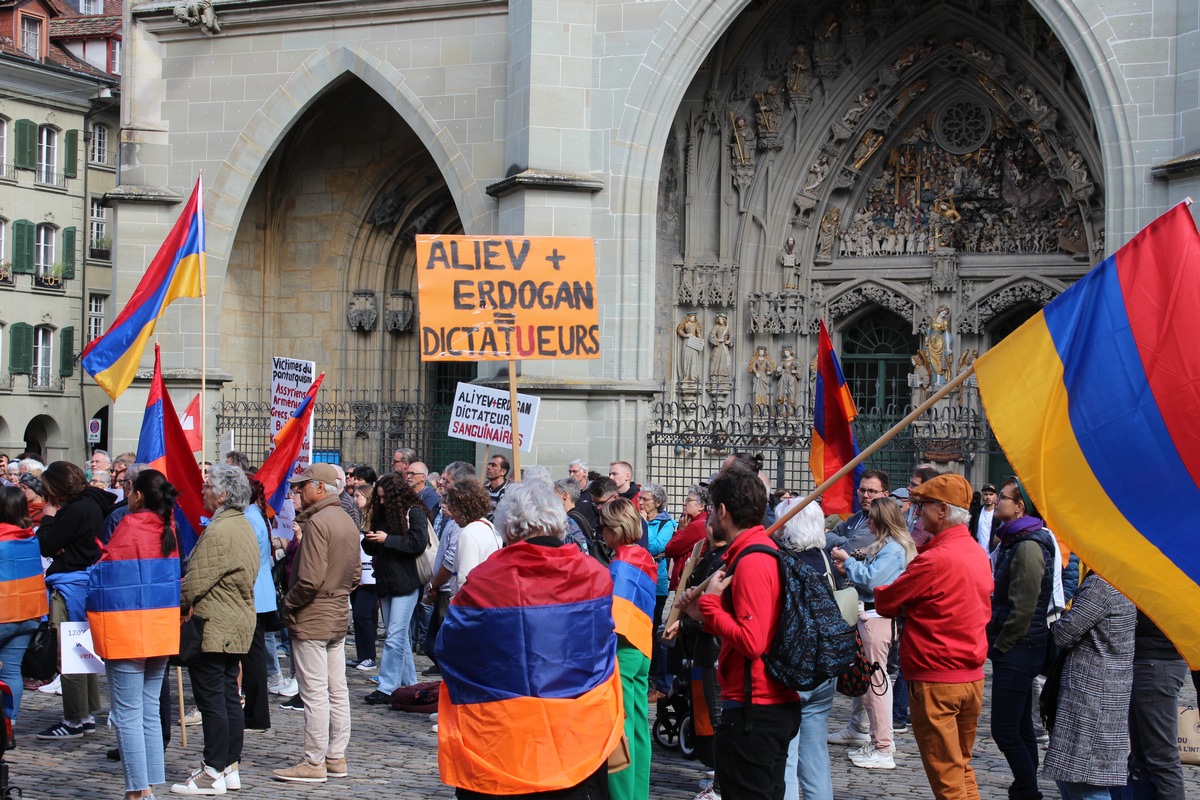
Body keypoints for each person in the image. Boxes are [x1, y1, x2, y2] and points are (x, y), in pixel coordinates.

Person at [436, 481, 624, 798]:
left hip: (502, 740)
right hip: (576, 736)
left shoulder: (485, 579)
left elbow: (450, 647)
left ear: (508, 528)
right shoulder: (594, 574)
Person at [679, 464, 801, 799]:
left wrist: (710, 607)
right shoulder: (751, 554)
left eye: (712, 509)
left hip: (756, 707)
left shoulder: (752, 560)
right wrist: (701, 614)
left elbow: (752, 640)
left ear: (722, 511)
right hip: (762, 704)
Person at [874, 473, 993, 800]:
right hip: (970, 677)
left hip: (936, 678)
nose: (917, 513)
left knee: (948, 778)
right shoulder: (976, 554)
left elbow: (886, 601)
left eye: (923, 506)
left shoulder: (934, 559)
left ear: (942, 510)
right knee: (960, 768)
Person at [88, 470, 181, 800]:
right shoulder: (168, 527)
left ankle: (137, 791)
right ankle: (149, 785)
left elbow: (105, 578)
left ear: (138, 495)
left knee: (128, 713)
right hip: (159, 629)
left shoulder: (130, 525)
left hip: (127, 630)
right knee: (148, 709)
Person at [172, 464, 259, 795]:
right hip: (233, 621)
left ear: (222, 494)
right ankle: (228, 767)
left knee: (213, 700)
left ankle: (212, 771)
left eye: (208, 486)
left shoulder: (222, 530)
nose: (203, 491)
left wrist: (175, 606)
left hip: (215, 624)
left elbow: (195, 580)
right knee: (226, 697)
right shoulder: (241, 525)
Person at [273, 463, 361, 783]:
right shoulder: (346, 521)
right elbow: (354, 577)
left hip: (313, 614)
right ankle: (335, 755)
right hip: (336, 611)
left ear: (320, 488)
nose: (297, 491)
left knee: (315, 693)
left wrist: (288, 604)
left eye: (303, 486)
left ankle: (314, 760)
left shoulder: (319, 522)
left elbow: (308, 581)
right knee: (336, 689)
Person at [831, 497, 917, 770]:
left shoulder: (893, 550)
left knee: (877, 685)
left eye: (872, 518)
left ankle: (883, 745)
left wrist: (850, 563)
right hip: (870, 616)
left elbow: (872, 579)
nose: (867, 521)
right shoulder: (885, 545)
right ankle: (877, 739)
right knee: (871, 685)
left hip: (876, 619)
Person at [35, 460, 115, 740]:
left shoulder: (76, 509)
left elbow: (45, 543)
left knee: (69, 653)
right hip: (85, 581)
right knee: (83, 651)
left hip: (71, 583)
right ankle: (87, 713)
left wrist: (47, 517)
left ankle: (73, 719)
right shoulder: (96, 502)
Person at [989, 477, 1057, 800]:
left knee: (1003, 728)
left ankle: (1028, 788)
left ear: (1019, 507)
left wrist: (1001, 645)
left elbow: (1024, 607)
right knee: (1020, 725)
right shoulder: (1013, 540)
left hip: (1019, 646)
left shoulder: (1028, 545)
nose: (996, 500)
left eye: (1002, 497)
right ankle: (1026, 787)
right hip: (1017, 646)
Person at [1042, 571, 1136, 800]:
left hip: (1091, 694)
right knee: (1075, 776)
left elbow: (1065, 633)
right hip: (1105, 689)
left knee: (1083, 780)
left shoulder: (1101, 584)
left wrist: (1060, 620)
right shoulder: (1125, 581)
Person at [824, 469, 890, 747]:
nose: (865, 495)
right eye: (862, 490)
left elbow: (851, 545)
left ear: (884, 495)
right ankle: (859, 725)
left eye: (871, 491)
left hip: (873, 608)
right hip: (853, 601)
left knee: (874, 674)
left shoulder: (880, 526)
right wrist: (835, 540)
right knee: (859, 667)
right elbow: (831, 538)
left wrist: (835, 542)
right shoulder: (857, 518)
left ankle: (882, 740)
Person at [776, 498, 835, 800]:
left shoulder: (782, 562)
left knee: (786, 751)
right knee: (814, 753)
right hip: (825, 664)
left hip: (794, 665)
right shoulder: (825, 560)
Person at [599, 497, 656, 800]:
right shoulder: (644, 557)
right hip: (642, 647)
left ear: (612, 530)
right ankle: (638, 794)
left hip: (622, 649)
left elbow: (614, 619)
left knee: (620, 732)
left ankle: (623, 796)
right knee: (637, 728)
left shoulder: (620, 564)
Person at [362, 473, 429, 705]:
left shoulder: (414, 512)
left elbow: (417, 543)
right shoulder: (383, 514)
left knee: (395, 636)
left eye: (383, 498)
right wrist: (370, 539)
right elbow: (374, 548)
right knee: (398, 637)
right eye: (378, 498)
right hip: (387, 580)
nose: (380, 502)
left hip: (407, 580)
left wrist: (387, 539)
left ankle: (388, 686)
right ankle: (411, 686)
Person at [0, 486, 48, 745]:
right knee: (11, 671)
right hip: (28, 615)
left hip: (3, 614)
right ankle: (10, 723)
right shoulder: (30, 537)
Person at [242, 477, 278, 732]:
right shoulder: (256, 514)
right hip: (261, 592)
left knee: (253, 658)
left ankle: (256, 713)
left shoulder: (250, 517)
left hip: (255, 594)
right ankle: (255, 711)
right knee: (254, 656)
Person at [640, 482, 675, 698]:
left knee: (652, 630)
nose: (641, 502)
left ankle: (652, 676)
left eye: (645, 499)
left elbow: (653, 547)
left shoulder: (667, 524)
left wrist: (643, 526)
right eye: (641, 498)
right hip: (640, 578)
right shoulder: (640, 519)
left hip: (656, 584)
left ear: (658, 502)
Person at [445, 478, 501, 591]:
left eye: (453, 511)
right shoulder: (489, 526)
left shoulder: (468, 534)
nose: (452, 517)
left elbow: (464, 580)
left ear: (463, 509)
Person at [664, 485, 709, 590]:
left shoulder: (697, 526)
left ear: (701, 506)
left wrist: (681, 530)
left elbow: (671, 549)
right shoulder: (701, 522)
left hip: (687, 582)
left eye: (689, 500)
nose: (684, 503)